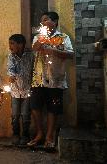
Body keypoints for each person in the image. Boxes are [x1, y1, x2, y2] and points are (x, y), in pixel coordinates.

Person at [28, 12, 74, 149]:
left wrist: (53, 51)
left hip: (56, 80)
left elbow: (71, 54)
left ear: (55, 22)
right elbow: (34, 49)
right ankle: (39, 134)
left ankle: (49, 136)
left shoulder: (63, 37)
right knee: (35, 106)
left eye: (46, 20)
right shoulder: (38, 37)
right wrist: (43, 38)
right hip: (38, 80)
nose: (43, 23)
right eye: (42, 21)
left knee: (53, 109)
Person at [7, 34, 34, 145]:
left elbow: (35, 69)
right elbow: (10, 69)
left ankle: (25, 135)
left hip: (27, 90)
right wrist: (11, 75)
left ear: (21, 44)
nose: (10, 46)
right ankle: (16, 134)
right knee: (15, 115)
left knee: (25, 114)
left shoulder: (30, 56)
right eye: (9, 44)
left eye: (12, 44)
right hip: (15, 91)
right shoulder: (11, 57)